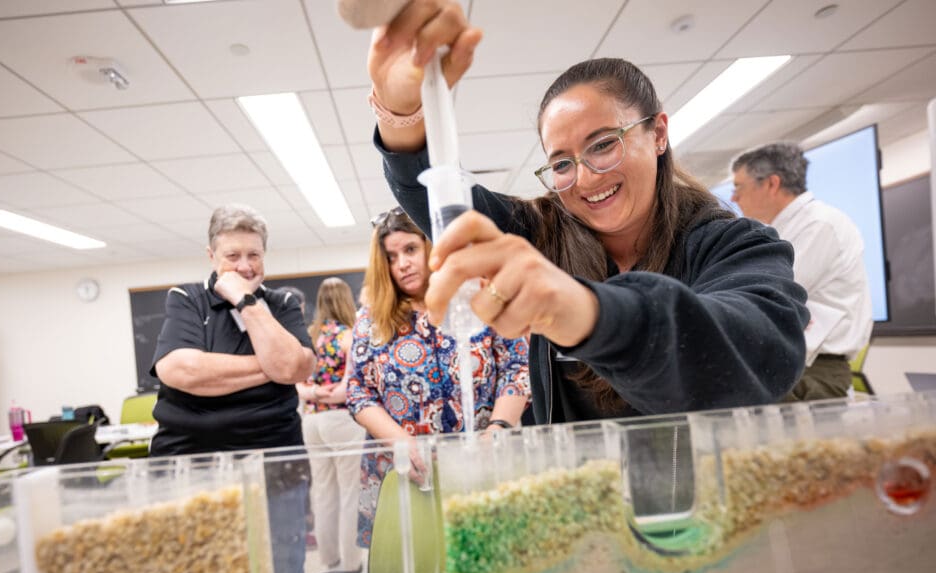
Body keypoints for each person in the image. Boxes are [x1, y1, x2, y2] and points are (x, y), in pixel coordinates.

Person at [364, 0, 809, 423]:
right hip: (572, 491)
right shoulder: (538, 234)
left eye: (602, 145)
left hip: (690, 495)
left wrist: (582, 310)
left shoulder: (734, 244)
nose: (586, 177)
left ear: (657, 134)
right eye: (561, 163)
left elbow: (758, 353)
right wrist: (402, 108)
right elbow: (433, 194)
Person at [346, 207, 531, 547]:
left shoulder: (479, 298)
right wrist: (401, 442)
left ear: (430, 246)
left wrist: (499, 429)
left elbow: (517, 367)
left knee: (486, 557)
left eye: (410, 250)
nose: (402, 263)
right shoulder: (371, 319)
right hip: (405, 471)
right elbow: (359, 393)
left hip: (481, 464)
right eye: (391, 256)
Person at [149, 203, 316, 573]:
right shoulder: (187, 299)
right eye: (233, 256)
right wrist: (271, 366)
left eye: (254, 254)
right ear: (212, 256)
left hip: (276, 470)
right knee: (203, 566)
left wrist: (247, 301)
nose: (245, 266)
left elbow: (293, 367)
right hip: (192, 468)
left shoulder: (282, 303)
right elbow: (181, 370)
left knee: (281, 565)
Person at [731, 142, 872, 400]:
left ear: (771, 184)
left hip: (812, 374)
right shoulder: (787, 229)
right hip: (793, 368)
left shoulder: (819, 225)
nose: (734, 198)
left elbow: (769, 296)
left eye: (739, 187)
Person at [294, 278, 365, 573]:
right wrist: (332, 393)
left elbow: (299, 384)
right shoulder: (350, 336)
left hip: (311, 420)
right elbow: (350, 387)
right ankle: (351, 563)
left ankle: (329, 561)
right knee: (350, 492)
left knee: (322, 491)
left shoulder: (309, 335)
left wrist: (314, 393)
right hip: (341, 419)